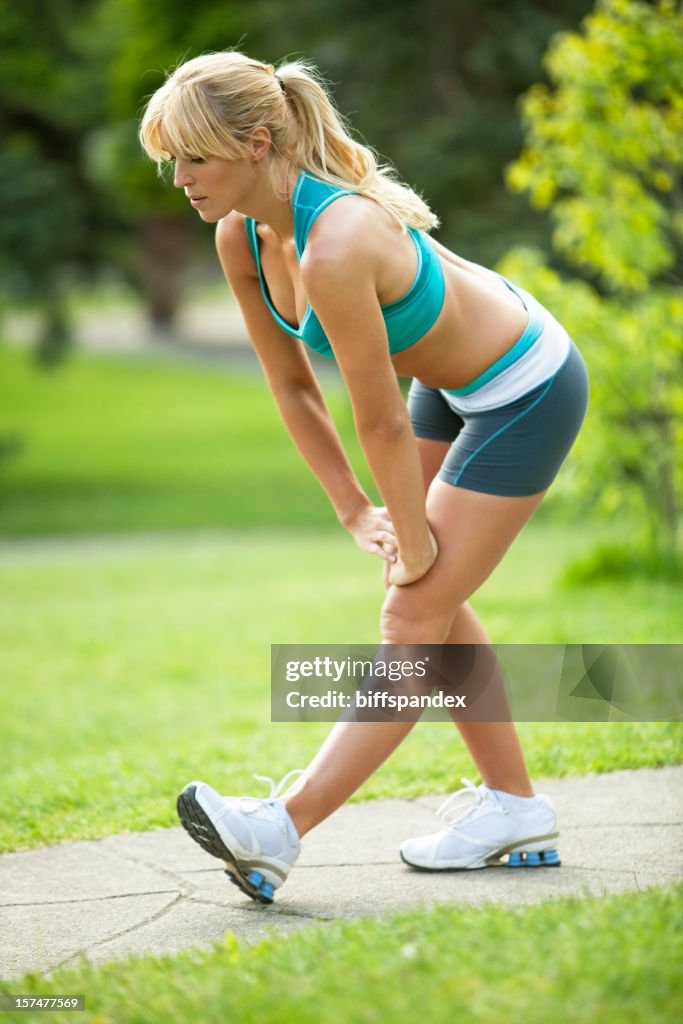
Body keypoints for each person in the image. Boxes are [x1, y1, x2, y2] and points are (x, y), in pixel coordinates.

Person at [139, 50, 588, 904]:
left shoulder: (337, 241)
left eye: (194, 158)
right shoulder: (239, 231)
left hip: (527, 384)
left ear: (257, 143)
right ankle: (515, 809)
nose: (180, 179)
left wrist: (413, 544)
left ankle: (279, 830)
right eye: (171, 160)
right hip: (452, 384)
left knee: (412, 605)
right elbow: (292, 386)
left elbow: (376, 420)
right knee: (428, 598)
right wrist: (354, 510)